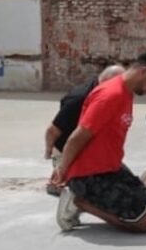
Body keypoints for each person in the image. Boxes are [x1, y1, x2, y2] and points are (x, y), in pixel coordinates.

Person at [52, 51, 146, 233]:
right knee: (144, 223)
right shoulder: (110, 95)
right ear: (143, 72)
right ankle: (80, 202)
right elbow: (78, 136)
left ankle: (94, 200)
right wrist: (62, 170)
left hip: (112, 168)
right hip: (89, 174)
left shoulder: (127, 93)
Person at [44, 64, 126, 195]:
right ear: (107, 81)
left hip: (90, 148)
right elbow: (52, 130)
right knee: (88, 190)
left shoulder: (107, 95)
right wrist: (49, 151)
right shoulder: (79, 98)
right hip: (68, 149)